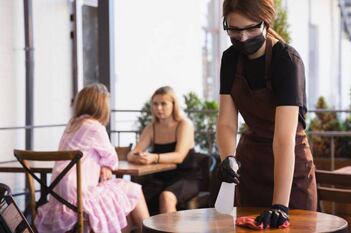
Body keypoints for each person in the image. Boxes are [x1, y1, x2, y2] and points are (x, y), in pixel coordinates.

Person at [216, 0, 317, 229]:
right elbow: (226, 122)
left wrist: (280, 204)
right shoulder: (230, 59)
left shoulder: (287, 60)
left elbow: (283, 138)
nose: (242, 37)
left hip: (290, 169)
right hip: (250, 166)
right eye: (234, 29)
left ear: (266, 23)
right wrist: (227, 158)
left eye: (251, 28)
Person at [34, 83, 149, 233]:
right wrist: (106, 165)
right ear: (102, 106)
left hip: (59, 197)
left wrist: (103, 165)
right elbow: (112, 157)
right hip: (79, 197)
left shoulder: (71, 125)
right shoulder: (95, 127)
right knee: (133, 191)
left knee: (120, 198)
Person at [128, 86, 201, 214]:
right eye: (155, 104)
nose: (159, 108)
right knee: (133, 197)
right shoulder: (151, 128)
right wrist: (139, 156)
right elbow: (132, 154)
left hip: (187, 178)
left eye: (163, 104)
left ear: (173, 105)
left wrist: (153, 157)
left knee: (166, 197)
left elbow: (179, 156)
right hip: (160, 180)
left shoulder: (184, 125)